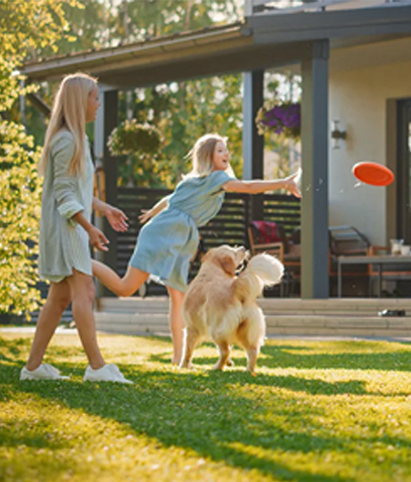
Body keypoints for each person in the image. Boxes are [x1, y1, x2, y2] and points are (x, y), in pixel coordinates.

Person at [92, 134, 301, 366]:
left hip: (177, 238)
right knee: (125, 287)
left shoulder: (196, 180)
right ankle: (86, 263)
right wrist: (283, 182)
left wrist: (154, 211)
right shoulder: (215, 178)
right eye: (220, 150)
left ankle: (180, 358)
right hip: (165, 234)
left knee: (178, 298)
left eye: (226, 150)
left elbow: (171, 198)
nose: (226, 154)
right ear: (208, 155)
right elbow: (249, 187)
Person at [21, 73, 132, 383]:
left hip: (73, 227)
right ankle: (97, 367)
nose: (98, 103)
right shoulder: (67, 141)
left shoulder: (79, 139)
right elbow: (65, 196)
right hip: (66, 229)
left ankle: (32, 368)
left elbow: (78, 191)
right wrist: (89, 228)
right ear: (78, 101)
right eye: (94, 97)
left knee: (59, 298)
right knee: (83, 290)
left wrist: (104, 208)